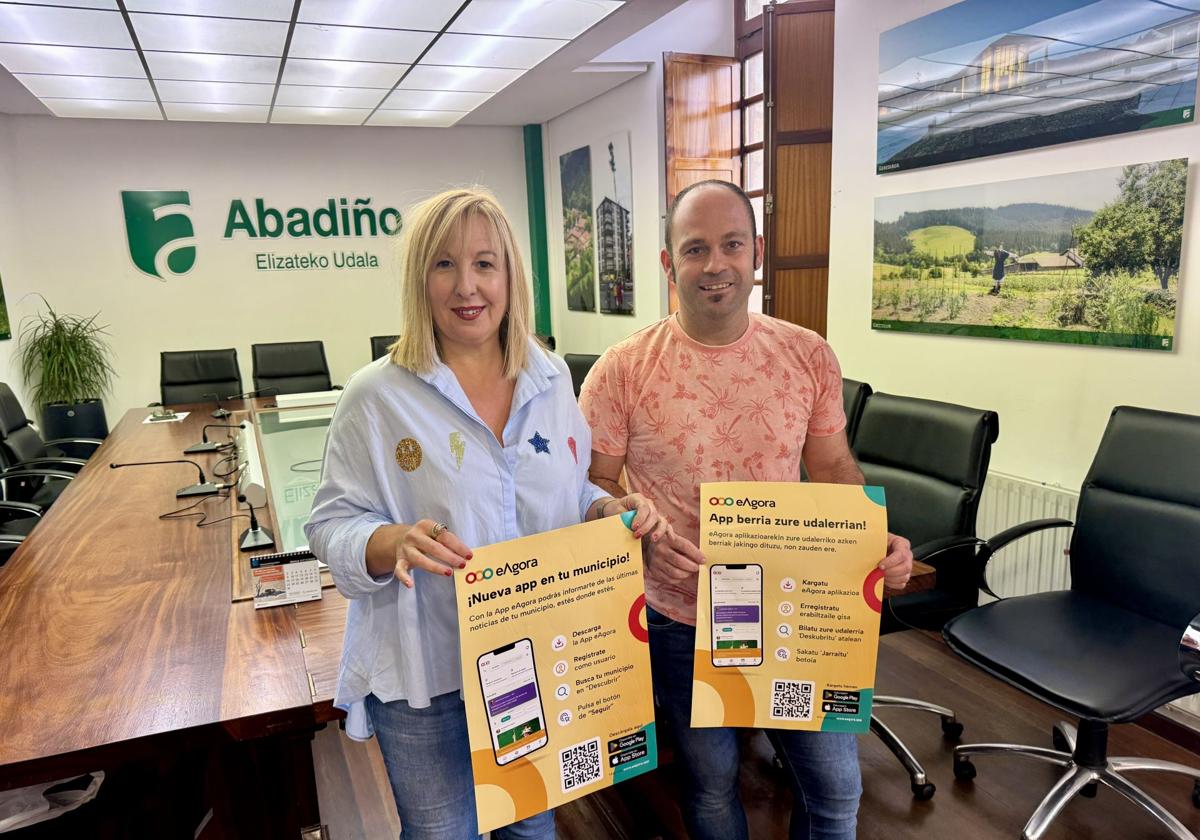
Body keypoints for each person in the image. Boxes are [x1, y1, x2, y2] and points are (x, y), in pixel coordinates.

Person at [304, 188, 668, 840]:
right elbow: (329, 524)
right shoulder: (376, 396)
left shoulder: (550, 377)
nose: (466, 285)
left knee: (531, 830)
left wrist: (608, 508)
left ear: (510, 277)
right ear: (421, 278)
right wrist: (392, 541)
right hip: (429, 670)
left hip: (535, 655)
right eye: (444, 264)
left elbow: (566, 493)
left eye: (485, 263)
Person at [579, 180, 913, 840]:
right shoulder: (621, 370)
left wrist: (874, 537)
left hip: (798, 604)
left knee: (837, 788)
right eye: (695, 248)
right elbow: (590, 486)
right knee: (709, 783)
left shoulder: (807, 354)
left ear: (756, 253)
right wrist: (632, 527)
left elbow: (833, 467)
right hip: (680, 611)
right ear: (669, 264)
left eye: (732, 244)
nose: (716, 265)